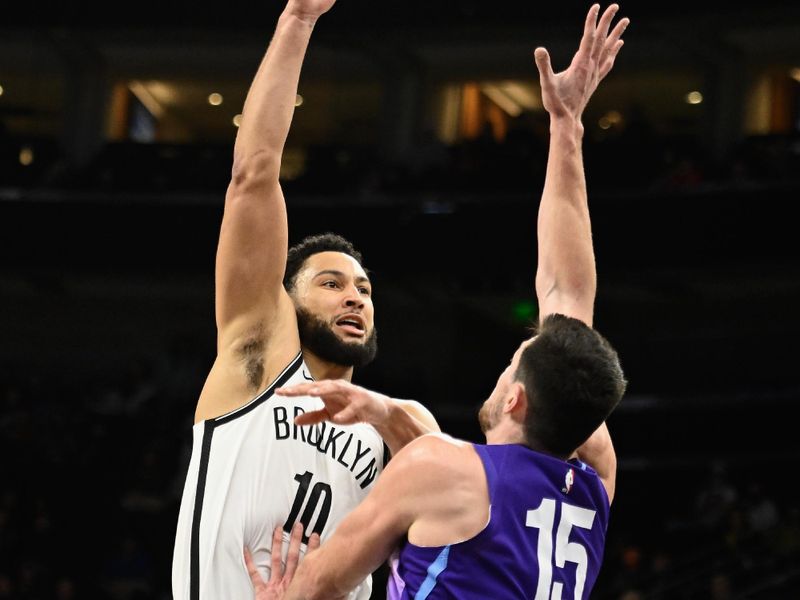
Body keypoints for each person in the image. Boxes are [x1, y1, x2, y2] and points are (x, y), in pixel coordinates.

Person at [248, 4, 630, 598]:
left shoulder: (443, 470)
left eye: (512, 364)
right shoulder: (594, 481)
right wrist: (566, 126)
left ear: (517, 398)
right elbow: (568, 292)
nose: (506, 367)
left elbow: (310, 590)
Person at [170, 0, 439, 598]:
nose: (354, 297)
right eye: (332, 283)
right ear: (286, 302)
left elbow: (458, 520)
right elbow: (254, 174)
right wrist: (297, 22)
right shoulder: (258, 356)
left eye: (364, 289)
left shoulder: (389, 427)